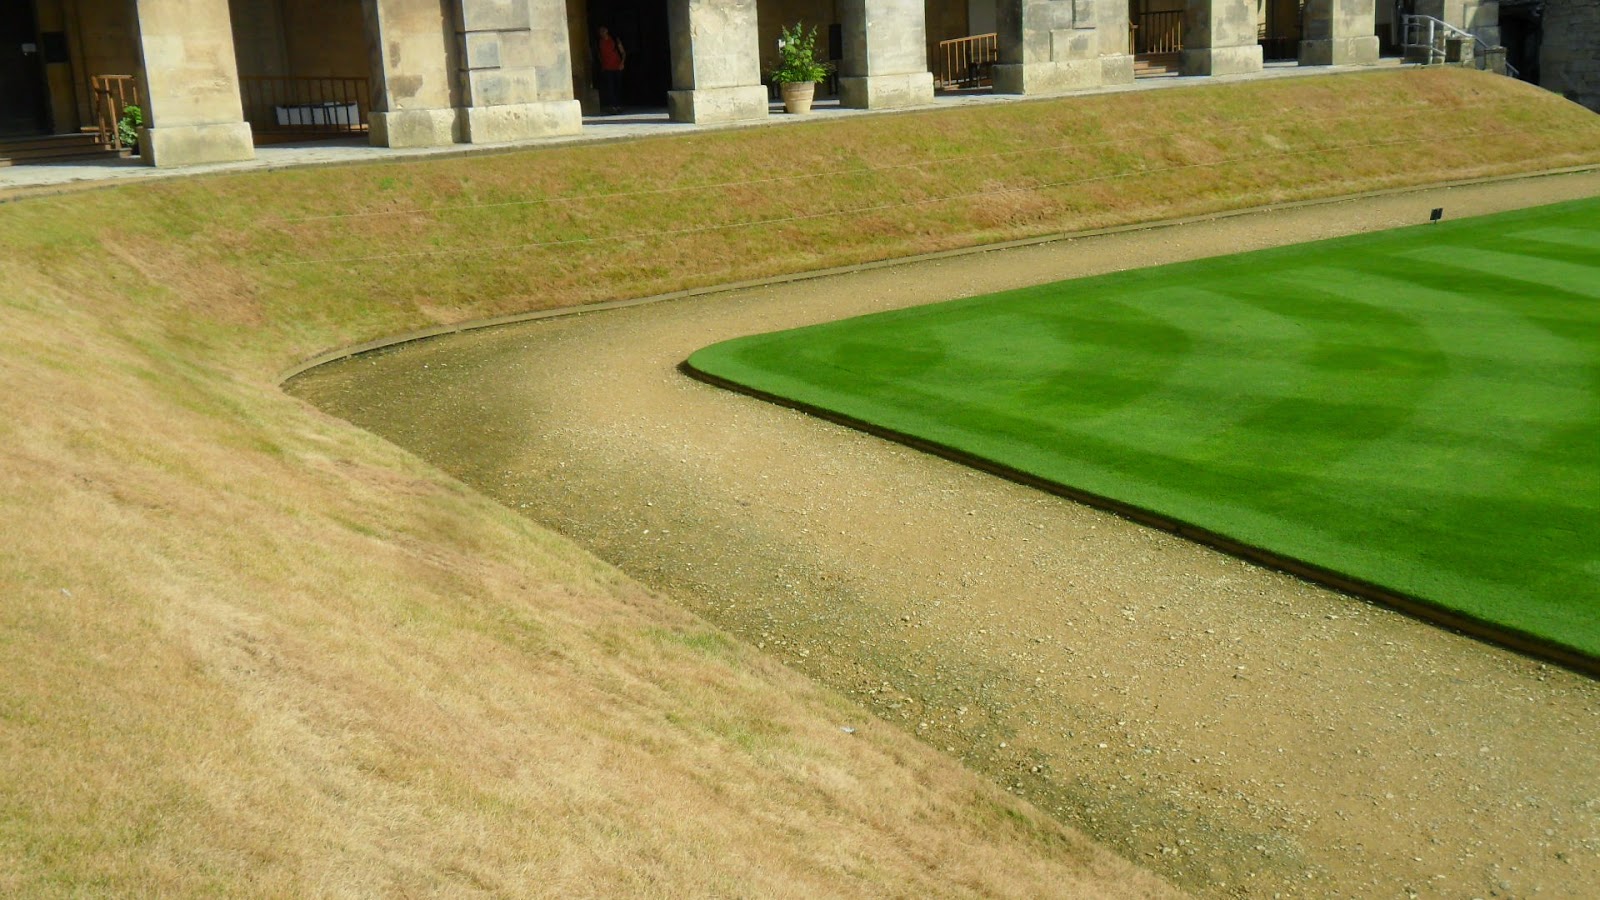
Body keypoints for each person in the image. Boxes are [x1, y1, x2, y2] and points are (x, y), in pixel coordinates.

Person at [596, 26, 626, 115]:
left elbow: (623, 52)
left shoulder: (614, 40)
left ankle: (618, 105)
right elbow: (599, 55)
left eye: (603, 30)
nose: (602, 32)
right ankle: (613, 106)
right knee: (610, 88)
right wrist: (601, 65)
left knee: (618, 87)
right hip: (607, 68)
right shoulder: (599, 42)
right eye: (600, 31)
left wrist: (622, 63)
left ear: (607, 31)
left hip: (617, 67)